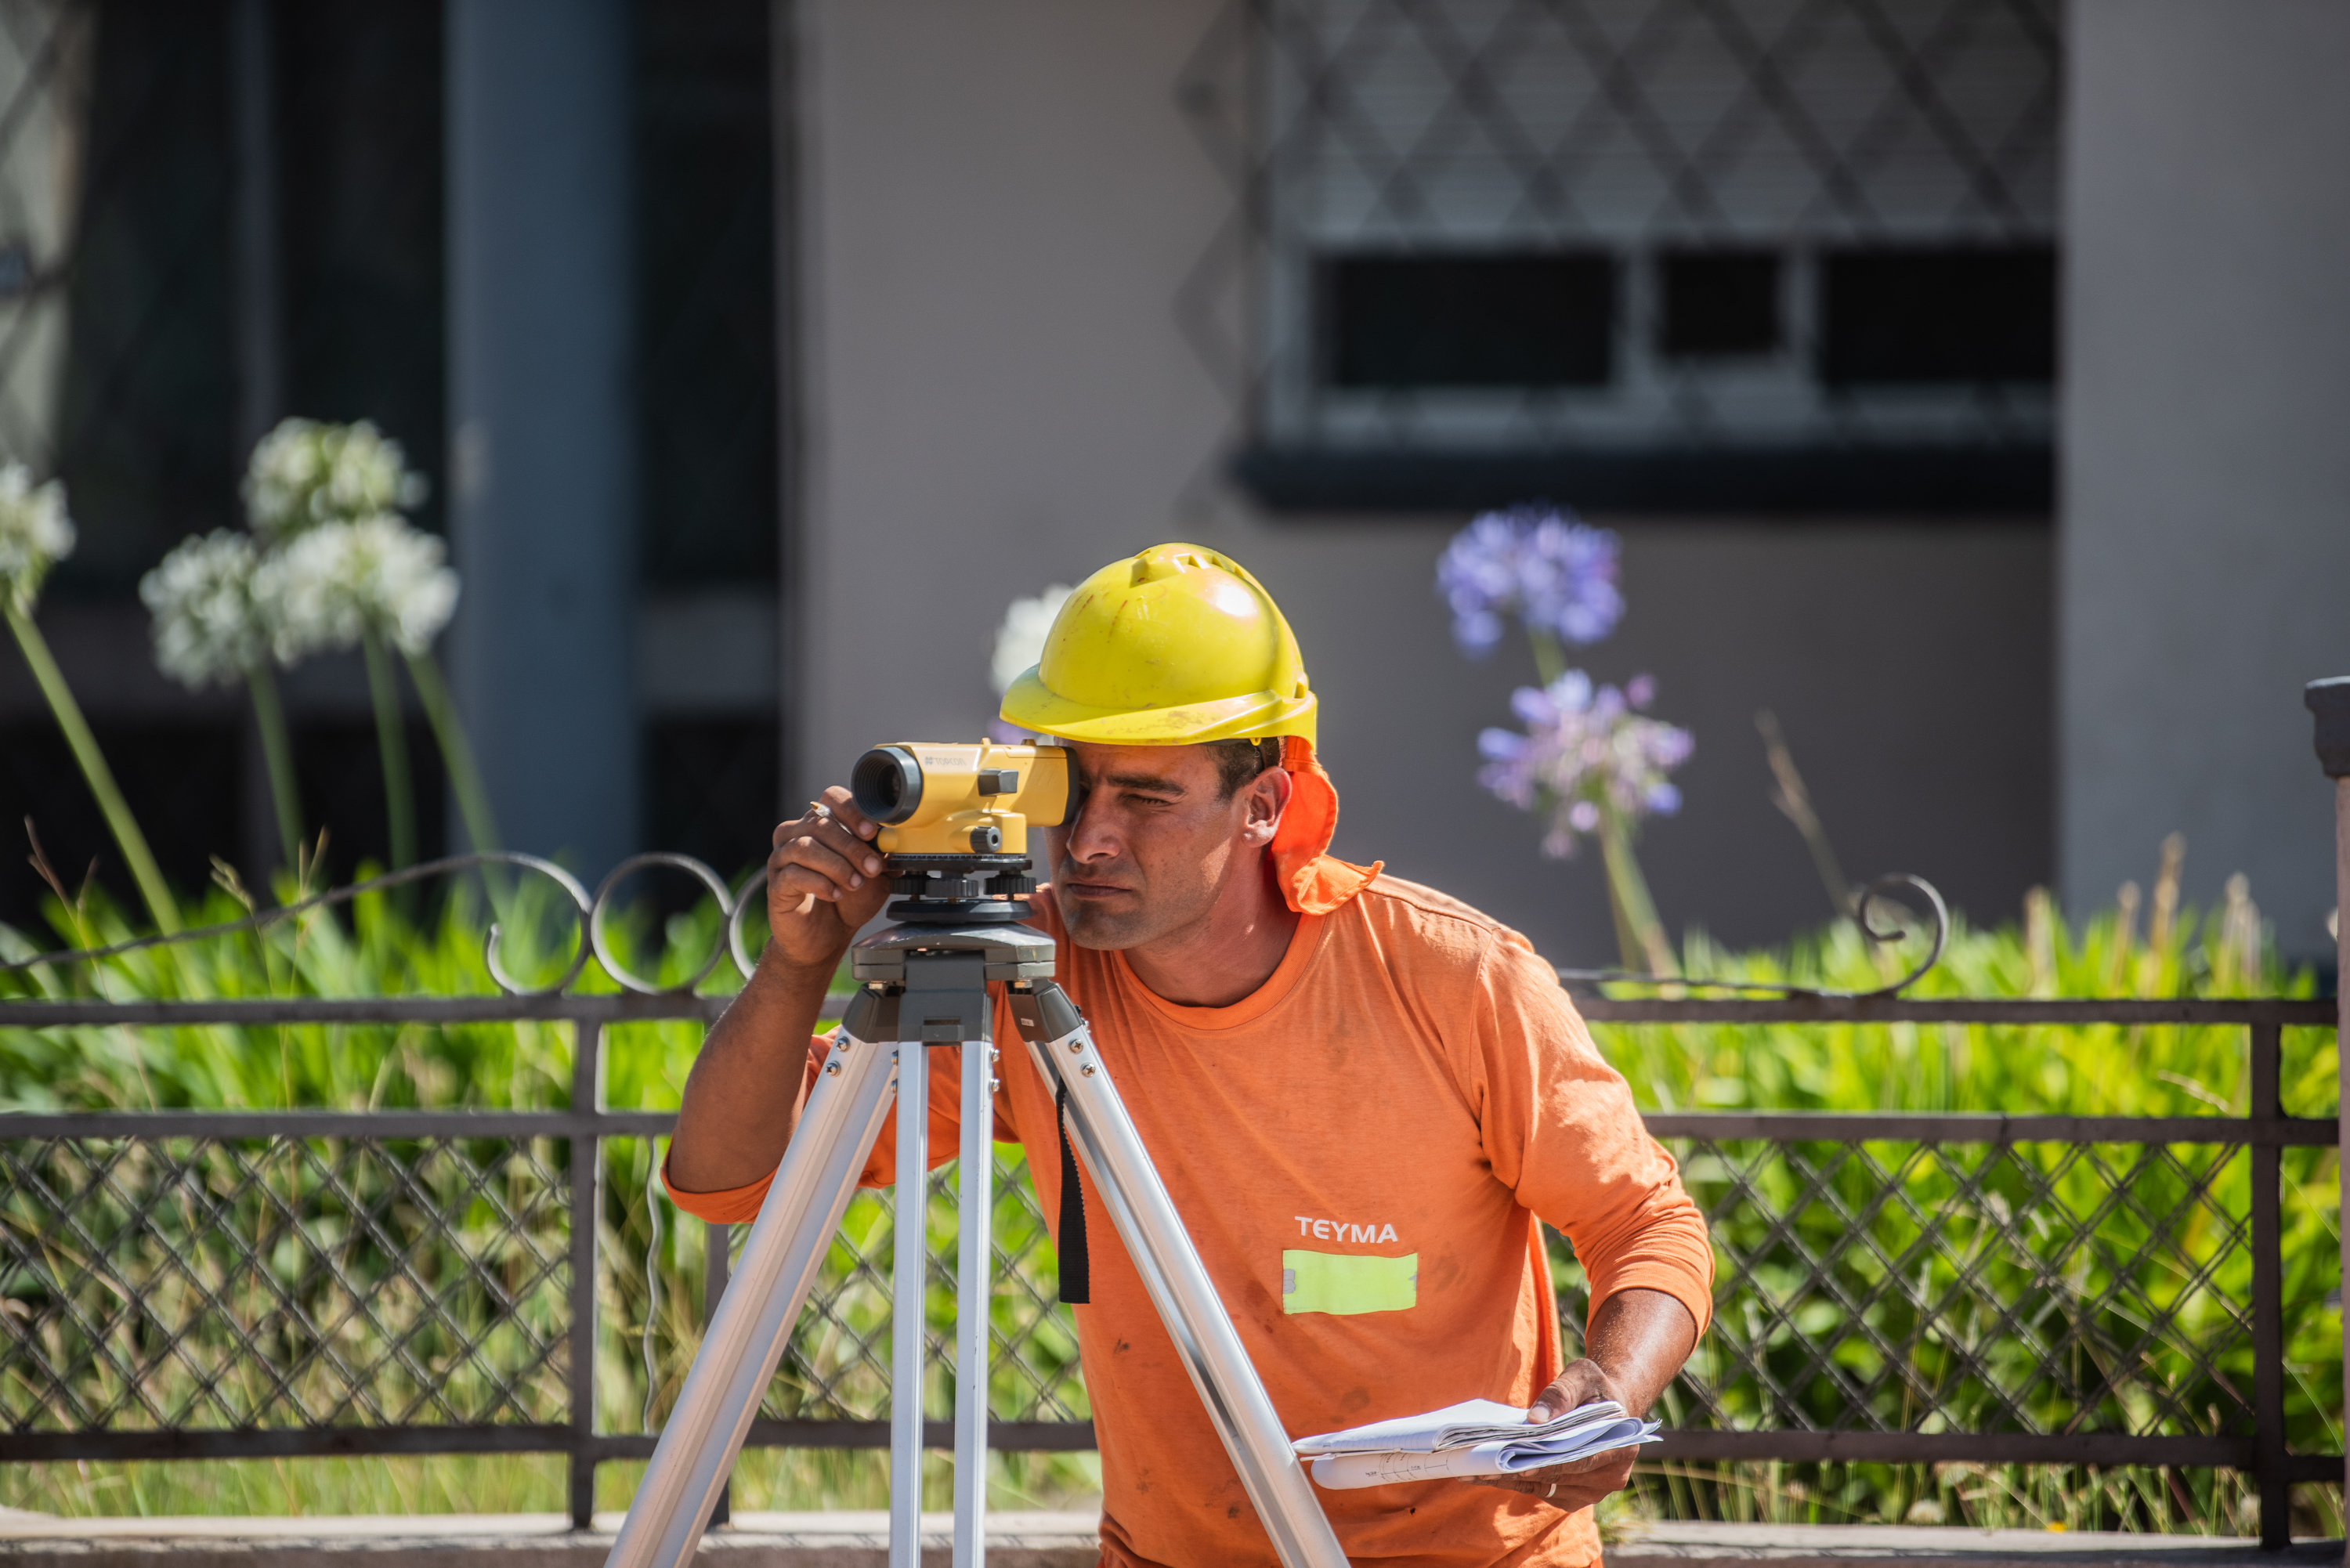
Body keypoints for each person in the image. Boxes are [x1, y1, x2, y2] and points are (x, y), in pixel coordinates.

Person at [663, 544, 1712, 1567]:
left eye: (1147, 798)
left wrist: (1609, 1390)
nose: (1088, 840)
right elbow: (728, 1182)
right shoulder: (1028, 978)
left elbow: (1648, 1221)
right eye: (1072, 790)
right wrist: (798, 965)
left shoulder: (1452, 978)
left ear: (1263, 804)